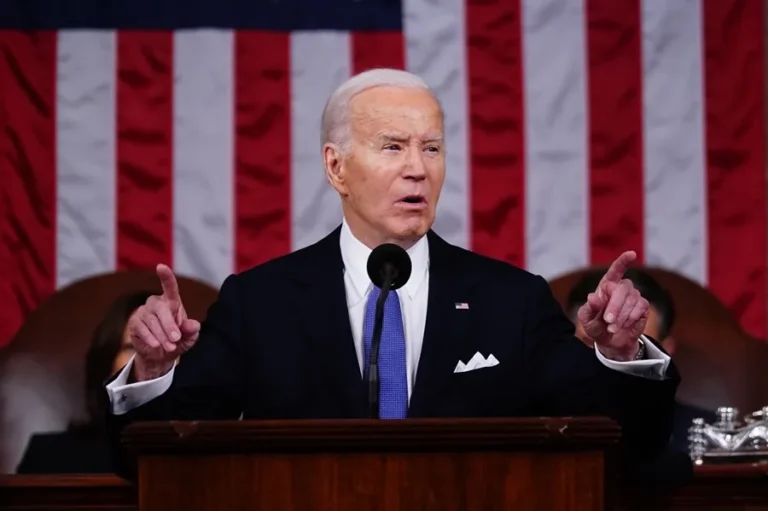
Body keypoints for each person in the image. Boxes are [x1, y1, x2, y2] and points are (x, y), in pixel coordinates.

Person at [104, 68, 679, 480]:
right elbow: (154, 463)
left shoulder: (511, 300)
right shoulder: (261, 302)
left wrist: (621, 358)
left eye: (432, 148)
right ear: (337, 167)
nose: (417, 169)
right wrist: (154, 371)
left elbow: (626, 451)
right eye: (392, 146)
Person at [566, 268, 716, 453]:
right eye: (594, 342)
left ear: (664, 353)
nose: (608, 358)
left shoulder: (713, 440)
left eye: (629, 345)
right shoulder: (536, 432)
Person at [16, 291, 151, 474]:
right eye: (133, 348)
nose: (152, 359)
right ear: (106, 368)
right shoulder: (48, 458)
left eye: (165, 347)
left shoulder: (202, 461)